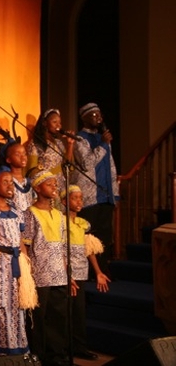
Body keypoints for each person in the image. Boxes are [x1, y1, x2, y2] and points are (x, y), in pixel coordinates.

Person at [0, 167, 30, 358]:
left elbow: (20, 241)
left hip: (16, 263)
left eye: (12, 182)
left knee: (17, 306)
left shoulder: (17, 212)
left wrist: (26, 269)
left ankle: (18, 351)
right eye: (5, 182)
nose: (10, 185)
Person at [23, 171, 69, 366]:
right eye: (49, 184)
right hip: (39, 273)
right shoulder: (30, 213)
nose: (54, 187)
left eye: (55, 184)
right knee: (39, 319)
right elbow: (25, 243)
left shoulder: (59, 214)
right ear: (37, 187)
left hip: (59, 273)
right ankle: (38, 355)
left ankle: (56, 355)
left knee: (58, 316)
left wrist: (67, 270)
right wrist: (27, 271)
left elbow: (63, 245)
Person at [62, 184, 110, 361]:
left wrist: (98, 272)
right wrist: (67, 274)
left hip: (81, 273)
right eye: (75, 198)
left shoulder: (82, 224)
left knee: (79, 312)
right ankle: (64, 348)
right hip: (66, 274)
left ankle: (79, 346)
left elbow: (88, 249)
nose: (79, 201)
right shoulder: (61, 222)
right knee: (66, 312)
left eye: (81, 198)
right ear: (64, 201)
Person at [71, 102, 120, 276]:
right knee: (90, 234)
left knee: (105, 236)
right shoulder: (80, 139)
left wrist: (115, 192)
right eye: (93, 115)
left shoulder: (103, 137)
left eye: (99, 114)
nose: (98, 117)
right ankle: (91, 272)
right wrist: (103, 145)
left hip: (106, 195)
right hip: (90, 196)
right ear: (84, 118)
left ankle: (103, 270)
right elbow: (87, 163)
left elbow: (110, 165)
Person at [25, 108, 75, 193]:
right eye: (54, 122)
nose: (58, 125)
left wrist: (70, 144)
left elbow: (67, 165)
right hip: (45, 189)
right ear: (45, 123)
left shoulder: (59, 143)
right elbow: (31, 171)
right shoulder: (34, 144)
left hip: (60, 187)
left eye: (59, 123)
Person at [0, 139, 35, 213]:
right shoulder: (8, 183)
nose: (23, 157)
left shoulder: (28, 182)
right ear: (8, 160)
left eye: (24, 154)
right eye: (17, 154)